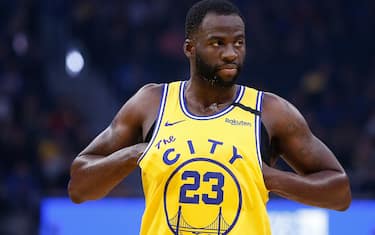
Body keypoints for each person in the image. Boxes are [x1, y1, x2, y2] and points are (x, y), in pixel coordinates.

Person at [68, 0, 351, 234]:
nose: (231, 53)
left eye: (238, 43)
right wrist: (134, 154)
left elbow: (339, 192)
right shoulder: (152, 103)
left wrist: (269, 178)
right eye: (218, 43)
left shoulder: (270, 111)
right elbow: (79, 185)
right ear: (190, 48)